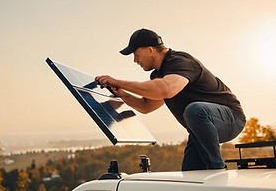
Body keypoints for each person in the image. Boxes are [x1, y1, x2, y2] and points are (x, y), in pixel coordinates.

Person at [95, 28, 246, 171]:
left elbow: (166, 89)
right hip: (200, 128)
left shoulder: (180, 61)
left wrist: (119, 82)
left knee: (194, 110)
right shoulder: (157, 76)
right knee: (190, 175)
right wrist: (123, 94)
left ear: (150, 49)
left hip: (231, 119)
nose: (135, 60)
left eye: (136, 54)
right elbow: (146, 106)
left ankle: (218, 169)